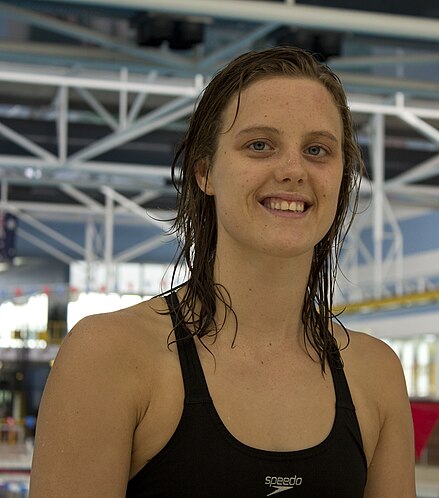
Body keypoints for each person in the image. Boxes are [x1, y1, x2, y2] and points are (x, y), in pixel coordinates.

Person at [29, 46, 416, 497]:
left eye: (317, 150)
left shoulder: (375, 374)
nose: (293, 170)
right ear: (205, 173)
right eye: (259, 145)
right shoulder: (111, 358)